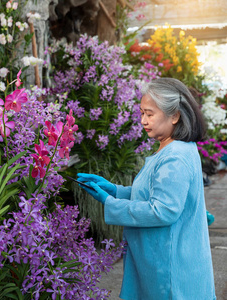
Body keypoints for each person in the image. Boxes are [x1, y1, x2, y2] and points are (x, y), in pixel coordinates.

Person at [77, 78, 216, 299]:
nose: (143, 120)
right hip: (164, 264)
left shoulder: (175, 157)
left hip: (170, 272)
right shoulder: (173, 149)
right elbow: (154, 193)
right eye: (142, 113)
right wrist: (114, 190)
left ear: (175, 116)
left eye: (150, 114)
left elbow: (163, 210)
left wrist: (110, 203)